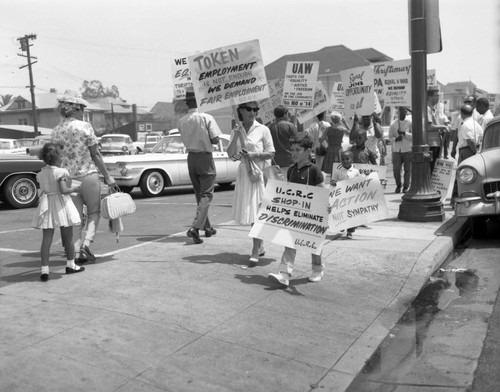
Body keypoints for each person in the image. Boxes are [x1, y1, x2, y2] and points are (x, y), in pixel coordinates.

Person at [51, 90, 118, 264]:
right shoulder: (84, 127)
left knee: (75, 217)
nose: (83, 111)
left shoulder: (56, 131)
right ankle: (86, 245)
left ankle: (76, 252)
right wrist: (108, 176)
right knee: (94, 212)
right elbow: (95, 154)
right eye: (81, 108)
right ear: (74, 109)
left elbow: (55, 159)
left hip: (67, 178)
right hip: (88, 175)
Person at [268, 135, 327, 288]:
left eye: (298, 150)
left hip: (312, 215)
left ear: (308, 151)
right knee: (289, 243)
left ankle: (317, 269)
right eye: (292, 150)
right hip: (296, 216)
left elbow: (322, 190)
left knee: (314, 244)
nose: (294, 153)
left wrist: (327, 205)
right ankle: (284, 274)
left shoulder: (314, 170)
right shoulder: (292, 170)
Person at [227, 101, 275, 264]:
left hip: (258, 174)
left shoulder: (263, 129)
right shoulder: (237, 130)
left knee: (257, 213)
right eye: (249, 109)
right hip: (244, 174)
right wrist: (236, 136)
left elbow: (271, 153)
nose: (253, 112)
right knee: (252, 211)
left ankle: (255, 249)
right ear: (240, 110)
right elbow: (232, 156)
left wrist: (254, 155)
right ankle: (259, 245)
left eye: (256, 109)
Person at [32, 143, 84, 281]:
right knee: (68, 237)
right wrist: (75, 189)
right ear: (57, 158)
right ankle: (71, 264)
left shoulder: (41, 174)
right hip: (61, 205)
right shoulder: (62, 172)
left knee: (46, 239)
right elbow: (64, 190)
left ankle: (44, 270)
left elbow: (43, 190)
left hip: (47, 204)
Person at [177, 90, 222, 244]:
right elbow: (215, 140)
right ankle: (195, 228)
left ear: (187, 103)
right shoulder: (206, 117)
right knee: (207, 194)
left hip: (191, 158)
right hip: (205, 157)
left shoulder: (182, 121)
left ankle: (207, 227)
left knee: (200, 195)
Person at [330, 150, 360, 237]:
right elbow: (333, 182)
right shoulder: (338, 172)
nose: (345, 161)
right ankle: (342, 225)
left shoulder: (356, 171)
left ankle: (350, 231)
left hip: (352, 197)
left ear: (352, 160)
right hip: (341, 198)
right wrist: (333, 183)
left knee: (351, 214)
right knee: (342, 213)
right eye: (343, 159)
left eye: (347, 159)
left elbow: (359, 183)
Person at [268, 105, 297, 177]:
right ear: (285, 114)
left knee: (278, 185)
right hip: (289, 160)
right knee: (289, 183)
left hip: (275, 161)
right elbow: (296, 143)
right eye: (287, 114)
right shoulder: (290, 125)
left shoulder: (269, 127)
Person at [389, 107, 413, 193]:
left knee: (408, 169)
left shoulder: (410, 122)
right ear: (398, 111)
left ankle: (406, 186)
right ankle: (398, 184)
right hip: (397, 150)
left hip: (408, 148)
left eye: (405, 110)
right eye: (402, 110)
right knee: (396, 169)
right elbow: (390, 137)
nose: (404, 111)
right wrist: (395, 139)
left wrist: (404, 134)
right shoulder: (393, 123)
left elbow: (414, 136)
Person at [426, 88, 449, 172]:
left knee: (434, 170)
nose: (438, 98)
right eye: (436, 96)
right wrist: (443, 127)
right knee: (431, 170)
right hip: (431, 144)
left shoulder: (433, 109)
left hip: (436, 143)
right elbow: (429, 127)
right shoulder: (427, 109)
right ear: (430, 96)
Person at [320, 112, 347, 178]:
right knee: (339, 168)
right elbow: (352, 134)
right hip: (339, 149)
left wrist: (325, 136)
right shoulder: (342, 129)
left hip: (330, 149)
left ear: (331, 119)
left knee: (330, 170)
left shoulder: (328, 129)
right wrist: (345, 123)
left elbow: (320, 140)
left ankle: (330, 183)